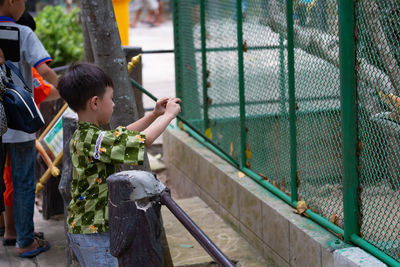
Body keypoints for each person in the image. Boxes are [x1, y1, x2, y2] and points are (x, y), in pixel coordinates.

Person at [57, 62, 181, 266]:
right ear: (95, 103)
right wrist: (169, 116)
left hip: (87, 230)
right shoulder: (93, 139)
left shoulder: (86, 134)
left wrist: (153, 114)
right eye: (111, 99)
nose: (113, 105)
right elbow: (142, 141)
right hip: (94, 234)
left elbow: (122, 136)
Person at [0, 0, 58, 257]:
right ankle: (25, 240)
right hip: (18, 122)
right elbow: (44, 70)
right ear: (11, 1)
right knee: (23, 182)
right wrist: (70, 89)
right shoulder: (23, 33)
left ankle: (9, 232)